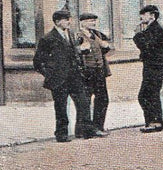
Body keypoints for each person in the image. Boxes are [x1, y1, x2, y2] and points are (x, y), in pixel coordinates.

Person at [33, 10, 94, 142]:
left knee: (84, 103)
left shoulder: (71, 35)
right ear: (57, 22)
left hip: (75, 77)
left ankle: (86, 131)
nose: (69, 22)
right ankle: (61, 134)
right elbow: (38, 62)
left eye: (69, 19)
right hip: (59, 80)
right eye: (66, 20)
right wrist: (50, 74)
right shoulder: (47, 38)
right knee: (61, 108)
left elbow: (74, 52)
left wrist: (83, 50)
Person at [132, 5, 163, 133]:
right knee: (149, 94)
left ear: (152, 15)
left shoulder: (155, 29)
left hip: (155, 68)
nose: (141, 17)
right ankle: (154, 121)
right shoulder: (153, 28)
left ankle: (155, 122)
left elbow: (146, 46)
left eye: (144, 14)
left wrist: (136, 34)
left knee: (147, 95)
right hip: (153, 67)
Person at [76, 12, 112, 136]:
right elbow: (72, 52)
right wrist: (80, 49)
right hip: (86, 72)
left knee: (103, 99)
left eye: (94, 21)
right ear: (82, 23)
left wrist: (106, 46)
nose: (93, 23)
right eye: (90, 21)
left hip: (100, 71)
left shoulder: (97, 34)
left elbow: (105, 48)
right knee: (85, 101)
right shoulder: (77, 36)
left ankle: (98, 126)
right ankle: (83, 130)